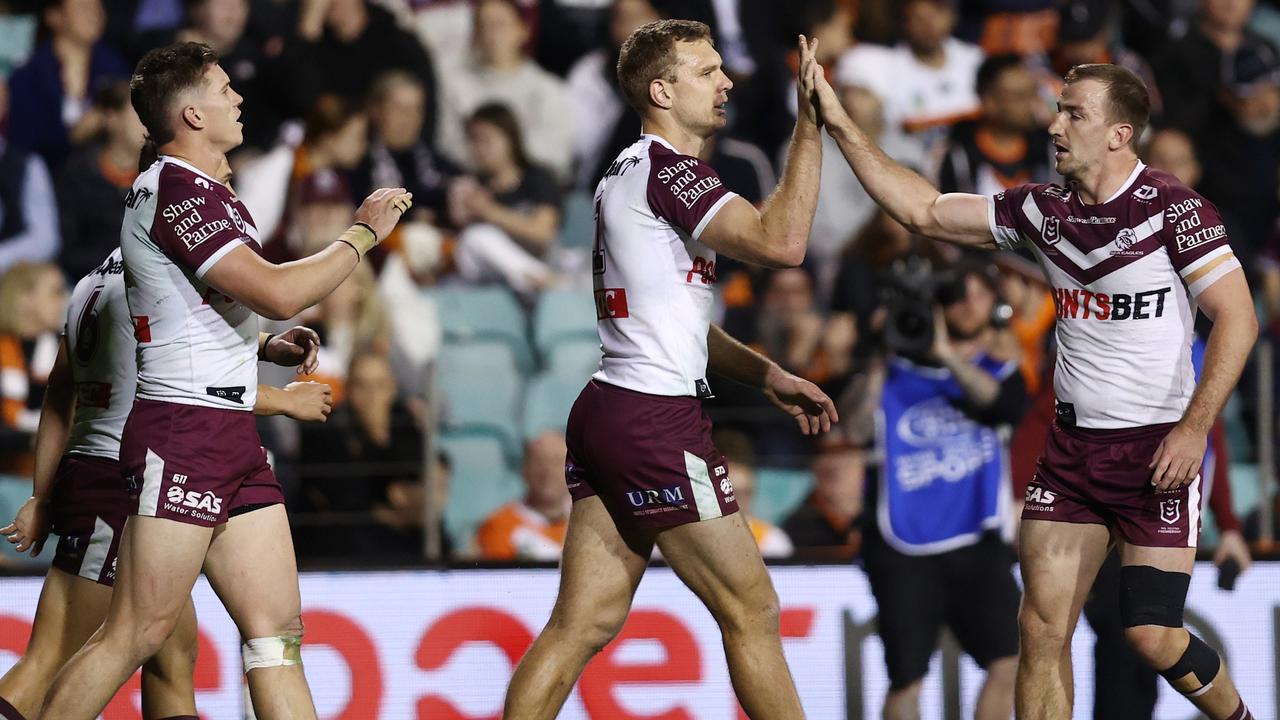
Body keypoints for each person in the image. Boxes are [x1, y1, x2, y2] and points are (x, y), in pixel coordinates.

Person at [808, 59, 1259, 720]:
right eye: (1058, 109)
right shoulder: (1042, 212)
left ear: (1119, 134)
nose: (1054, 124)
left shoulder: (1175, 210)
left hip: (1155, 453)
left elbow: (1240, 320)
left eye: (1074, 112)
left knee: (1151, 634)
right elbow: (924, 210)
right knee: (1041, 632)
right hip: (1071, 454)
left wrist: (1194, 430)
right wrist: (841, 124)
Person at [33, 42, 411, 720]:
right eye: (225, 89)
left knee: (276, 635)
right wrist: (361, 234)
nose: (239, 99)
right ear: (191, 114)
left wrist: (264, 346)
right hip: (183, 432)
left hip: (230, 432)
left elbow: (215, 309)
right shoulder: (173, 187)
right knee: (137, 633)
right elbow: (273, 289)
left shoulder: (211, 192)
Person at [502, 23, 836, 720]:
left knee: (582, 624)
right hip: (655, 420)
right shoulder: (671, 170)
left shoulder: (624, 172)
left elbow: (674, 318)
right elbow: (784, 243)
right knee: (753, 608)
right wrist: (811, 121)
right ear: (662, 90)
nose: (726, 83)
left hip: (608, 408)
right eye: (707, 71)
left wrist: (766, 374)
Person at [0, 247, 333, 720]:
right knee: (56, 657)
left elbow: (61, 391)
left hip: (98, 466)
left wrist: (42, 493)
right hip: (128, 478)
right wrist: (284, 400)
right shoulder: (153, 274)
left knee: (172, 662)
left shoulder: (90, 283)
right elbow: (179, 386)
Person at [846, 260, 1026, 720]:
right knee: (906, 678)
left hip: (978, 540)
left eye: (979, 295)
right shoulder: (894, 371)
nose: (969, 305)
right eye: (958, 296)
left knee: (1011, 661)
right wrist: (879, 359)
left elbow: (1004, 406)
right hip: (900, 544)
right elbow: (853, 427)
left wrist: (945, 354)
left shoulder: (997, 367)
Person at [435, 0, 573, 181]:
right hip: (471, 183)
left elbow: (555, 154)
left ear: (523, 30)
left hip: (533, 189)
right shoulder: (454, 85)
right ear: (474, 36)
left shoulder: (548, 89)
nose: (492, 34)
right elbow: (447, 146)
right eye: (483, 26)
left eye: (500, 24)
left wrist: (505, 168)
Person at [450, 103, 563, 296]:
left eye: (485, 140)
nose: (478, 148)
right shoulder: (472, 185)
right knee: (474, 238)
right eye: (473, 141)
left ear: (510, 139)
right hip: (490, 275)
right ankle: (539, 279)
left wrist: (488, 211)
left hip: (539, 257)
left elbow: (543, 234)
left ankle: (538, 280)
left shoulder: (537, 177)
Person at [4, 0, 129, 170]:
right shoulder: (29, 76)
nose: (94, 15)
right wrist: (73, 136)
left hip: (102, 179)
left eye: (98, 7)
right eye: (83, 8)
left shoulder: (115, 66)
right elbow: (22, 145)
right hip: (44, 178)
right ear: (54, 17)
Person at [55, 81, 147, 282]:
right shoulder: (78, 175)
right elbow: (69, 250)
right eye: (139, 112)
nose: (149, 121)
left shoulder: (159, 173)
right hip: (92, 285)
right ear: (112, 118)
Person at [935, 54, 1054, 196]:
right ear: (989, 101)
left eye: (1033, 93)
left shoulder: (1050, 149)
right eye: (1019, 96)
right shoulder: (959, 157)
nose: (1031, 104)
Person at [0, 264, 68, 477]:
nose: (64, 302)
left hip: (53, 478)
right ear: (24, 298)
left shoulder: (68, 350)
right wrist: (35, 441)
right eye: (55, 292)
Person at [476, 430, 571, 560]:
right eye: (539, 461)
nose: (548, 471)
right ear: (524, 469)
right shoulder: (498, 525)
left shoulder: (589, 522)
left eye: (556, 461)